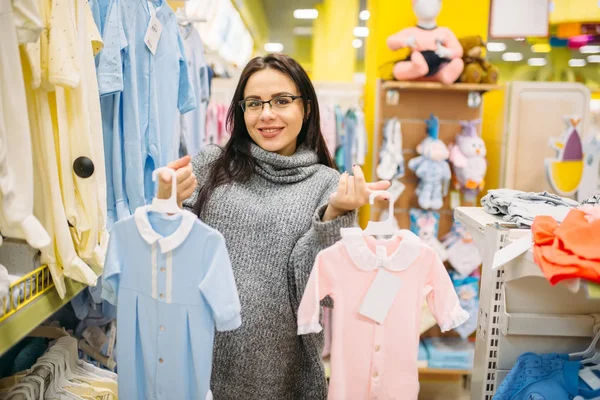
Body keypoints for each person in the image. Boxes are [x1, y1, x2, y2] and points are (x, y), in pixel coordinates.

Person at [157, 54, 390, 399]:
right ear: (241, 111)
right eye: (254, 103)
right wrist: (166, 206)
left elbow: (322, 295)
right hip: (197, 367)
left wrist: (335, 216)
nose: (267, 114)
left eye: (282, 101)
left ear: (307, 108)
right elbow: (168, 265)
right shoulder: (210, 165)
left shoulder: (327, 185)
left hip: (283, 379)